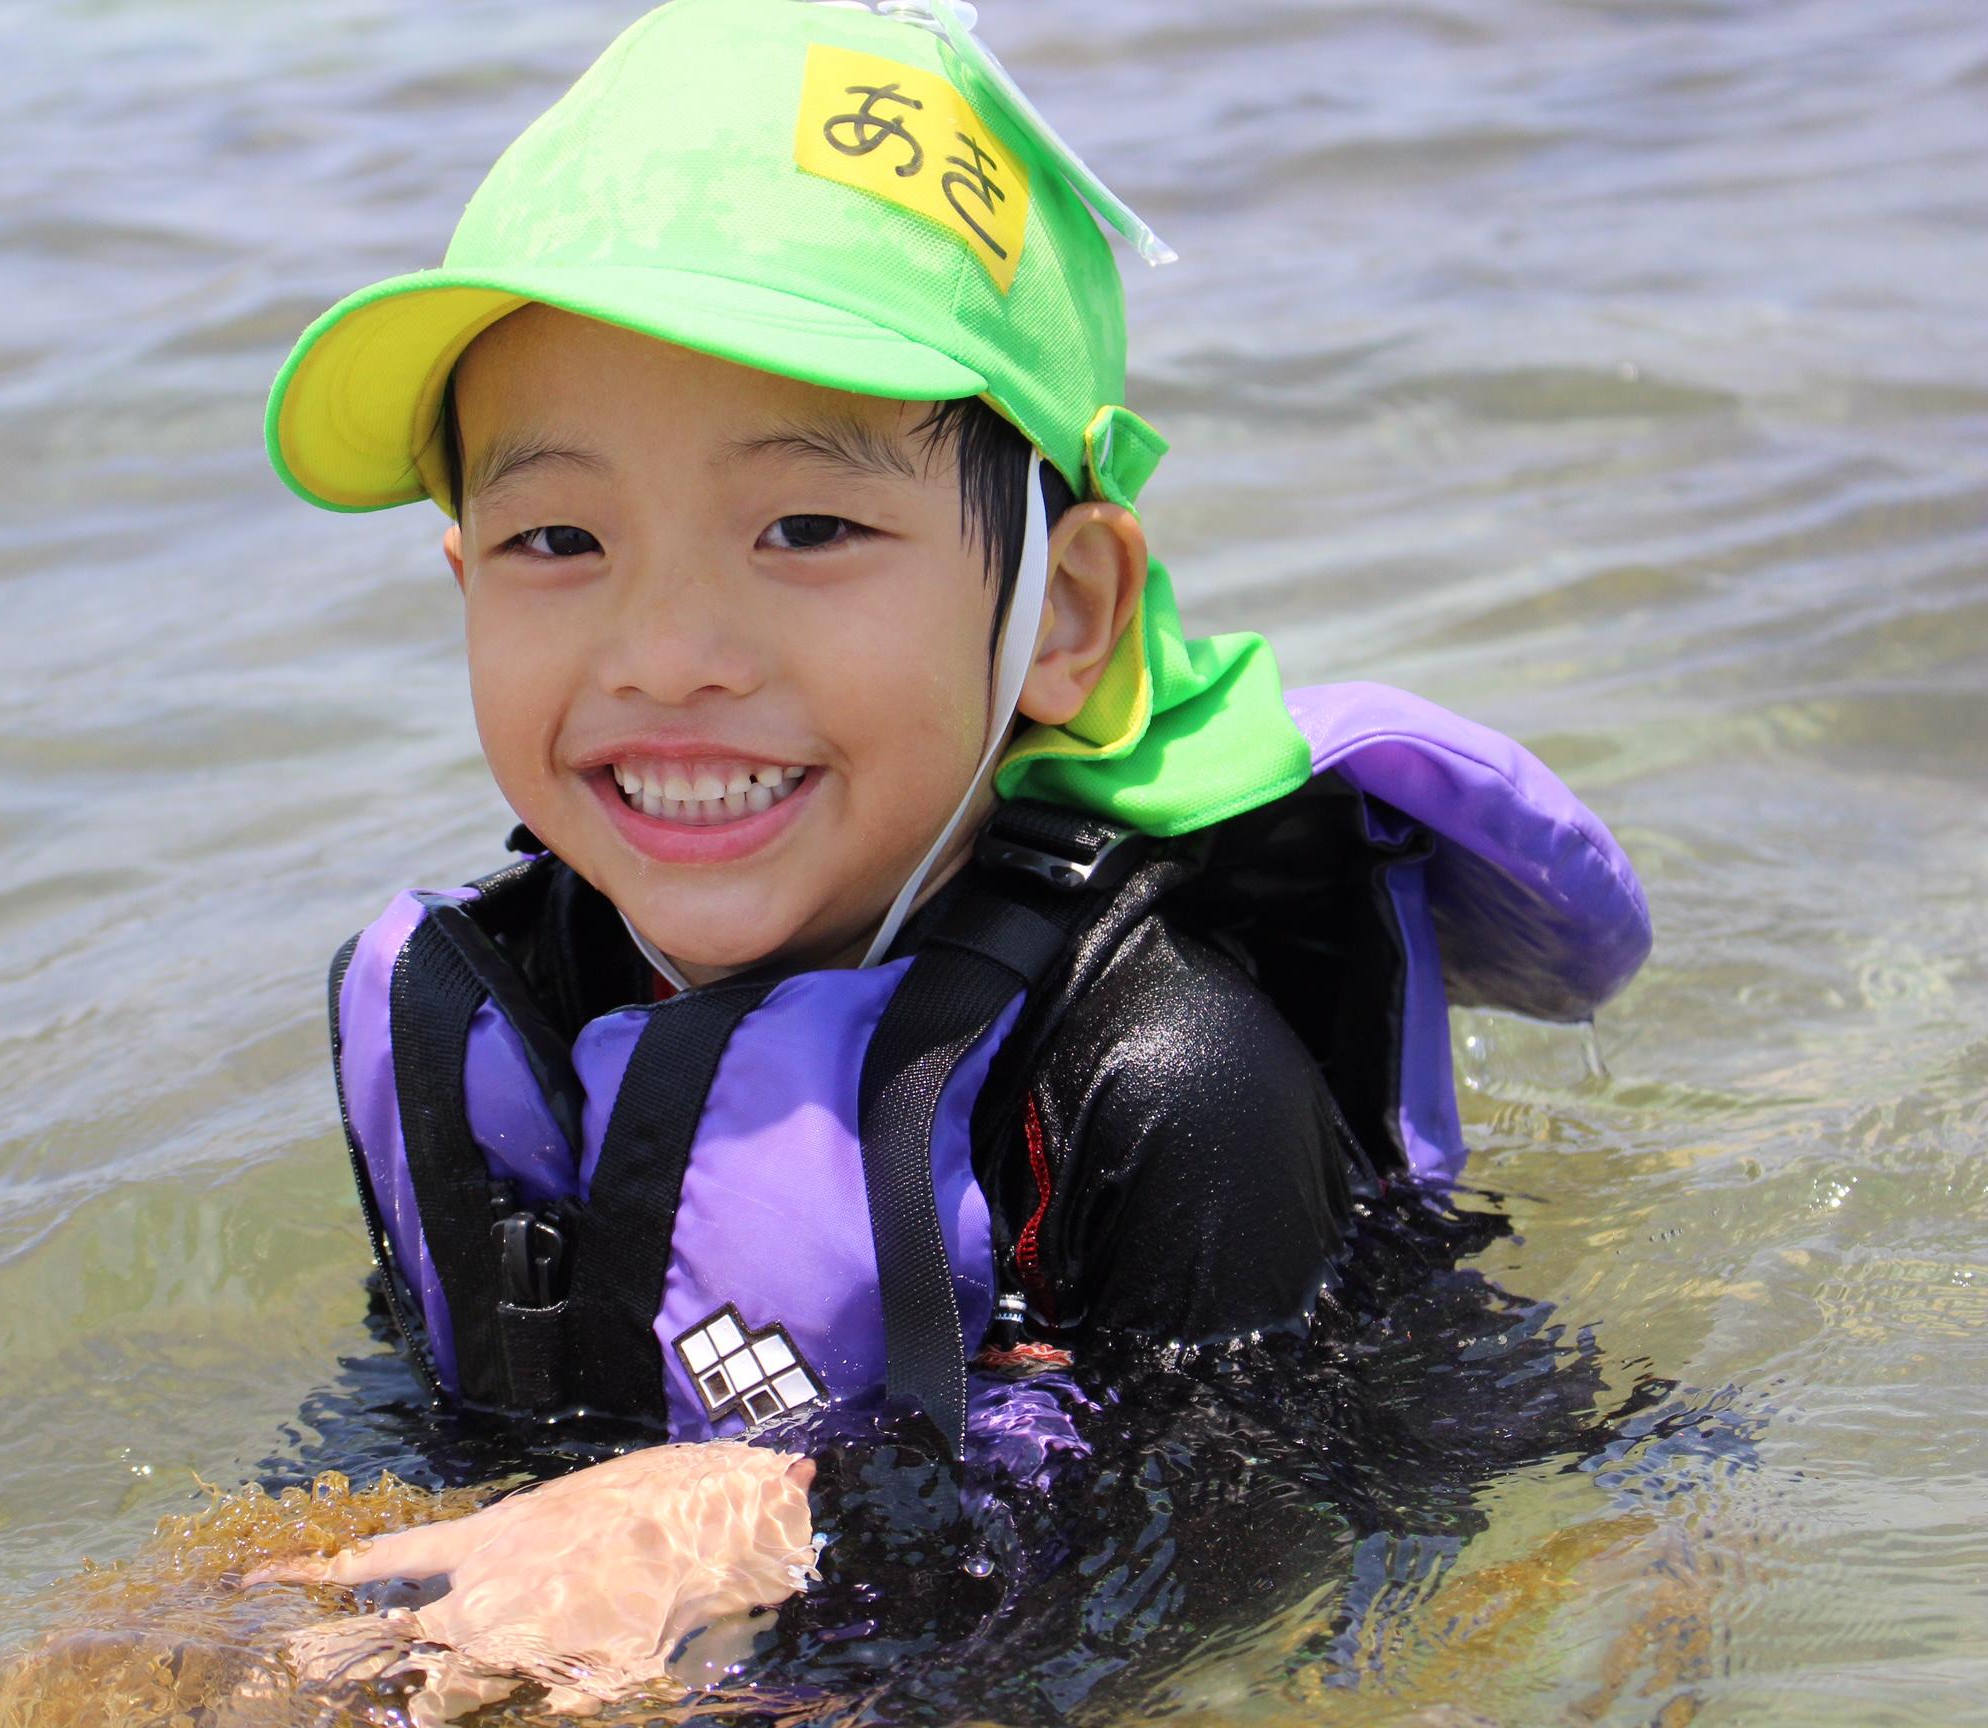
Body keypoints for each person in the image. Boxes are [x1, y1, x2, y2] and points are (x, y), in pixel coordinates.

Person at [254, 0, 1654, 1712]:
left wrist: (767, 1513)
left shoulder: (1165, 1074)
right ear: (465, 583)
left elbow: (1238, 1546)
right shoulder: (503, 1001)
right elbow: (469, 1405)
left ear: (1061, 615)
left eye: (808, 528)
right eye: (562, 537)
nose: (670, 649)